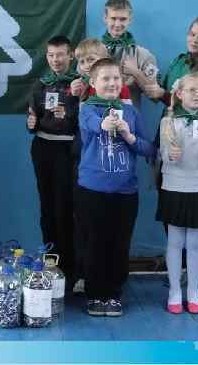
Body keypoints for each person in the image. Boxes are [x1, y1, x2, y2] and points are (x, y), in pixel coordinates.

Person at [75, 58, 155, 317]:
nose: (111, 83)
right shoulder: (87, 108)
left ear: (122, 82)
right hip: (92, 191)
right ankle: (95, 294)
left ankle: (113, 294)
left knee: (120, 244)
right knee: (94, 244)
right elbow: (89, 124)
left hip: (125, 192)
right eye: (105, 78)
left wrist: (129, 136)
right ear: (93, 82)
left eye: (116, 78)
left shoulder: (131, 112)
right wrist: (104, 124)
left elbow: (148, 149)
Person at [68, 38, 131, 295]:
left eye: (92, 60)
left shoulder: (118, 91)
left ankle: (111, 280)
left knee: (112, 229)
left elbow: (131, 124)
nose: (86, 65)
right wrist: (74, 96)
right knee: (85, 222)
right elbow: (77, 120)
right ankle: (84, 273)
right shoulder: (79, 87)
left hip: (114, 164)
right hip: (85, 159)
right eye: (82, 61)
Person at [157, 72, 198, 314]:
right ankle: (175, 291)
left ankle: (193, 292)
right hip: (174, 187)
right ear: (179, 94)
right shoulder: (168, 122)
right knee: (174, 241)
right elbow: (163, 157)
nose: (197, 94)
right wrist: (170, 155)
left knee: (195, 243)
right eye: (192, 90)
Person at [26, 35, 80, 283]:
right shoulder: (40, 84)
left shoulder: (79, 85)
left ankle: (70, 267)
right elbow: (33, 117)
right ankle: (51, 263)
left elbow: (85, 120)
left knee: (65, 209)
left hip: (68, 150)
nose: (55, 60)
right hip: (42, 148)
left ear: (70, 56)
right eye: (51, 55)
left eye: (60, 55)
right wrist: (30, 123)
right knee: (46, 208)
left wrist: (68, 114)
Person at [100, 0, 160, 107]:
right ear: (105, 18)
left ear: (130, 20)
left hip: (129, 116)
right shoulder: (92, 53)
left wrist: (136, 73)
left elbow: (155, 97)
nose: (117, 24)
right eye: (113, 18)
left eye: (123, 19)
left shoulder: (145, 56)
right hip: (97, 115)